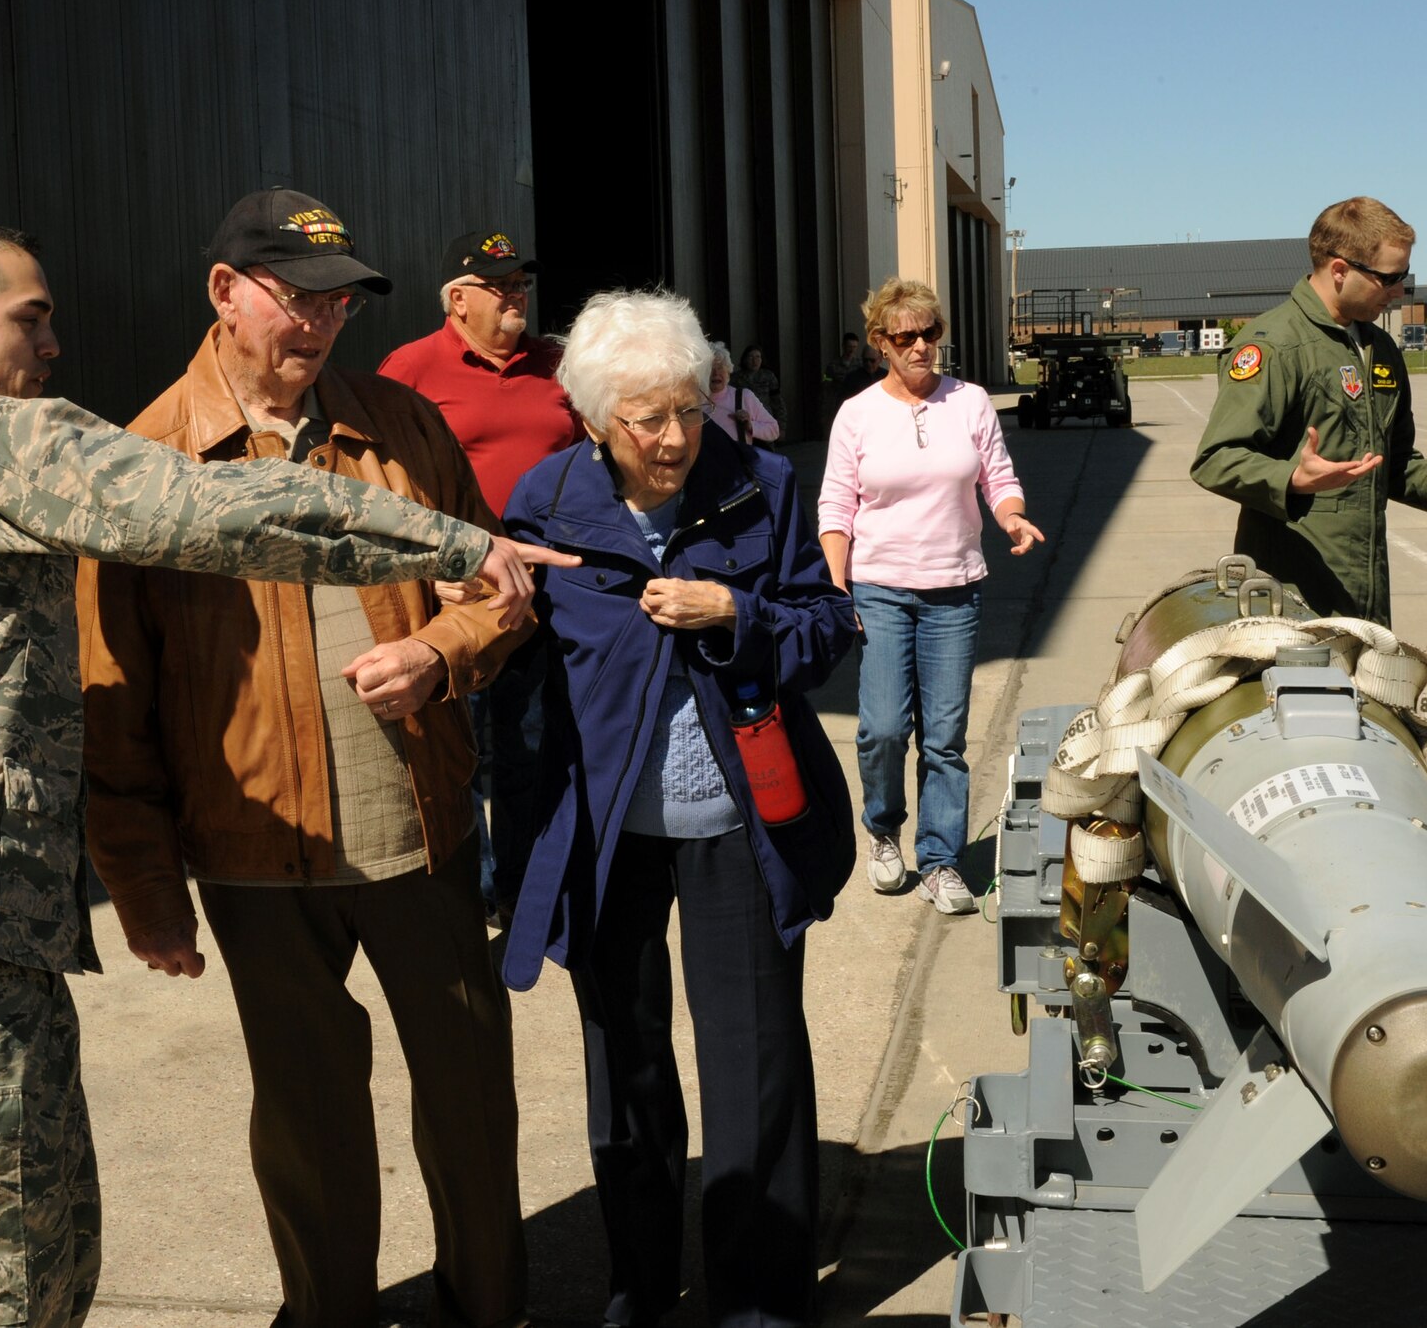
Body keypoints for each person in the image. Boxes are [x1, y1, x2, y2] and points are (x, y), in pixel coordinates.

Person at [0, 216, 564, 1328]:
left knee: (34, 1263)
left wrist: (444, 633)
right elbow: (210, 524)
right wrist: (454, 545)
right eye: (33, 318)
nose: (55, 342)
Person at [77, 189, 532, 1328]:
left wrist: (439, 650)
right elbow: (110, 697)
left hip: (417, 829)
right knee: (308, 1112)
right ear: (224, 291)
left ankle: (486, 1305)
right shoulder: (145, 464)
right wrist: (142, 886)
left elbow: (496, 587)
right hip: (254, 853)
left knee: (471, 1097)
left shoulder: (399, 424)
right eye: (300, 297)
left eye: (341, 301)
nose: (325, 322)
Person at [499, 289, 856, 1327]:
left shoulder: (762, 483)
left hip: (735, 824)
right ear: (593, 418)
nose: (672, 438)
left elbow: (826, 626)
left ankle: (760, 1305)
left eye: (690, 410)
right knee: (627, 1071)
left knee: (755, 1067)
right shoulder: (545, 501)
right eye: (645, 418)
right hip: (604, 834)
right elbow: (507, 661)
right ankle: (641, 1290)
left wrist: (735, 611)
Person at [818, 276, 1044, 915]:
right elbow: (837, 501)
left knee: (944, 737)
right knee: (885, 727)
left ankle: (941, 859)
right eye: (905, 336)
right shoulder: (858, 414)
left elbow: (998, 477)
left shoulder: (969, 402)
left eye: (930, 333)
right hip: (881, 586)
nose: (921, 346)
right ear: (881, 343)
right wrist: (836, 578)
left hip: (955, 589)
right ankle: (884, 830)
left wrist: (1011, 517)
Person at [378, 227, 583, 916]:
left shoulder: (560, 365)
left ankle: (523, 888)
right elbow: (375, 476)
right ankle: (477, 884)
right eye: (499, 286)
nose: (515, 295)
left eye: (520, 283)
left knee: (528, 743)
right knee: (459, 750)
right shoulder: (410, 368)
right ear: (458, 299)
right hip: (454, 594)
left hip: (544, 593)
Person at [1191, 196, 1427, 626]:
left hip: (1364, 594)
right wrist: (1291, 479)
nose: (1399, 292)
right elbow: (1216, 459)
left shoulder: (1380, 349)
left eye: (1404, 277)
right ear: (1340, 270)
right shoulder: (1274, 346)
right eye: (1389, 278)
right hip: (1292, 598)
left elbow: (1391, 463)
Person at [708, 339, 781, 447]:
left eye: (720, 367)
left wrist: (750, 426)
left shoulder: (744, 397)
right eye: (710, 368)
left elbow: (773, 429)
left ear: (728, 371)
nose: (716, 373)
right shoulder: (691, 399)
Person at [734, 342, 786, 432]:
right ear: (745, 359)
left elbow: (777, 402)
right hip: (743, 422)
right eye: (751, 357)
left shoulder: (769, 376)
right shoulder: (735, 378)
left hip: (765, 421)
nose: (755, 361)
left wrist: (781, 427)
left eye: (758, 357)